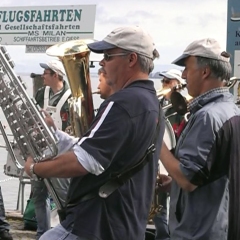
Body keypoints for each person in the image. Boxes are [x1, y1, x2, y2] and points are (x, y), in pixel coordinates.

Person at [24, 25, 165, 240]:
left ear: (131, 59)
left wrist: (35, 168)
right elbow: (102, 152)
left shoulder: (123, 102)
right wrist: (55, 135)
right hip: (123, 225)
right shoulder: (151, 103)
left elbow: (85, 161)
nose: (101, 63)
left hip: (94, 223)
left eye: (108, 56)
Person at [159, 38, 240, 239]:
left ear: (205, 72)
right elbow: (215, 173)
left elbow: (188, 180)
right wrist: (173, 184)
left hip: (198, 232)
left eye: (187, 68)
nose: (184, 75)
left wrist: (156, 138)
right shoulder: (231, 110)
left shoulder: (207, 117)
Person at [31, 59, 72, 240]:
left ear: (56, 75)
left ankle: (67, 230)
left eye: (46, 73)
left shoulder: (71, 97)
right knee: (39, 194)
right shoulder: (41, 93)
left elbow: (73, 128)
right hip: (41, 151)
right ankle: (42, 233)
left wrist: (53, 126)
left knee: (62, 196)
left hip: (60, 153)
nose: (42, 76)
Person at [153, 69, 186, 240]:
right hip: (159, 167)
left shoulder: (182, 109)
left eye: (168, 81)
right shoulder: (159, 106)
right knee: (159, 211)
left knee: (173, 210)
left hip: (175, 166)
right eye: (163, 81)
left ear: (178, 85)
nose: (164, 84)